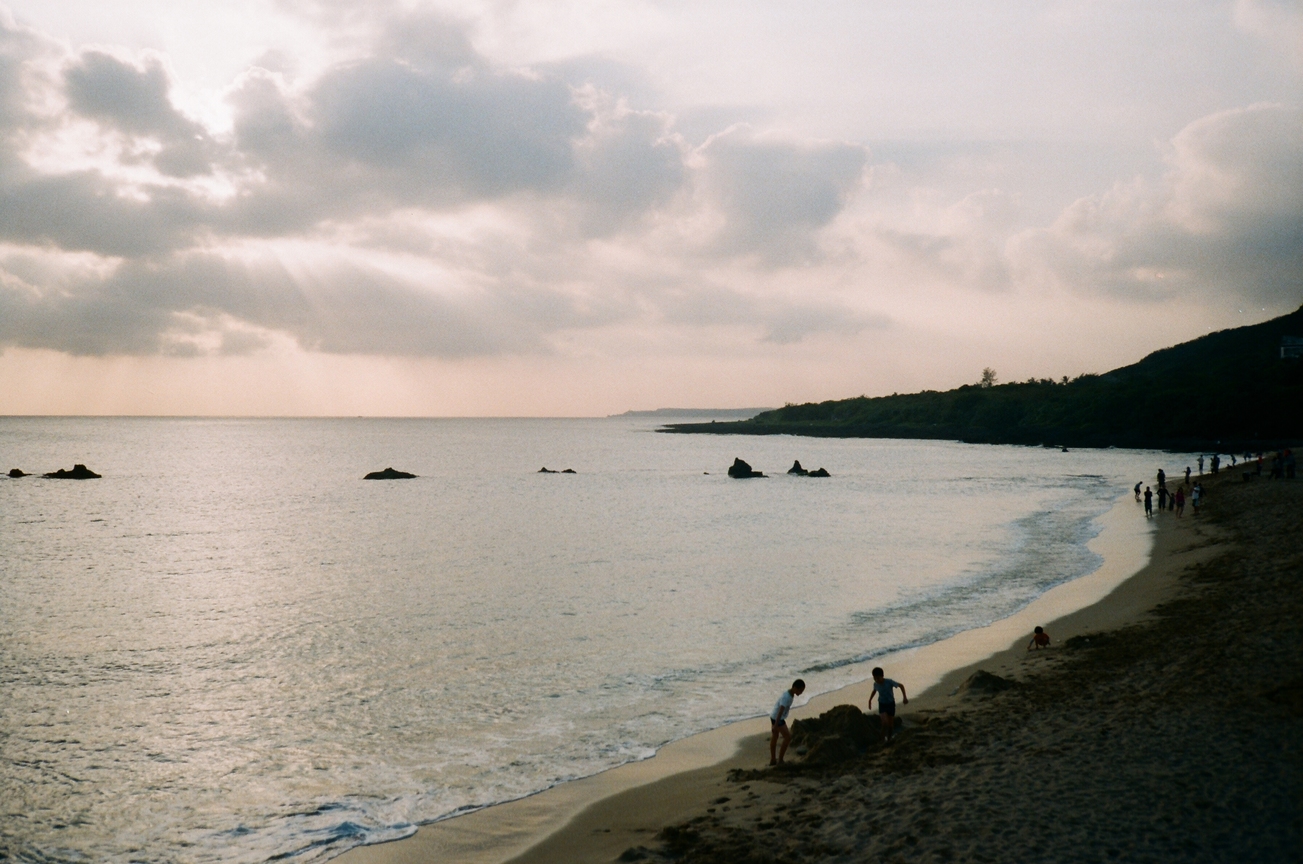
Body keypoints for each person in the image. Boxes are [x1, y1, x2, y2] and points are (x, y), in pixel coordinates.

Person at [769, 679, 805, 765]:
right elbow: (781, 710)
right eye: (800, 690)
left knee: (775, 736)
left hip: (774, 716)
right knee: (788, 737)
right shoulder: (786, 697)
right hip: (778, 718)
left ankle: (773, 760)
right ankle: (780, 760)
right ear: (795, 687)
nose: (801, 693)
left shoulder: (790, 694)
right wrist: (776, 725)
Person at [868, 667, 907, 743]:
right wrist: (870, 700)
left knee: (890, 725)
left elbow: (901, 686)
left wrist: (904, 697)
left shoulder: (889, 682)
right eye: (875, 678)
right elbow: (874, 691)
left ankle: (889, 739)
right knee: (885, 723)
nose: (876, 680)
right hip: (882, 704)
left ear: (882, 676)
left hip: (891, 704)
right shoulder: (875, 684)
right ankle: (881, 740)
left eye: (878, 678)